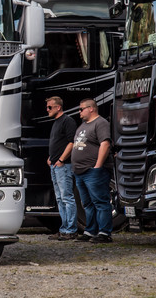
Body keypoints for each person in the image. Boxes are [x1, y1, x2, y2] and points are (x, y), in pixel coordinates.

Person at [71, 98, 114, 243]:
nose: (79, 112)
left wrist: (98, 166)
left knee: (100, 202)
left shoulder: (100, 123)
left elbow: (105, 144)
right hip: (80, 172)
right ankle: (90, 231)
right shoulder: (83, 125)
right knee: (87, 204)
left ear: (91, 109)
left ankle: (104, 233)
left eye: (81, 109)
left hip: (93, 171)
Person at [45, 96, 78, 241]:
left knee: (66, 197)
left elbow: (72, 142)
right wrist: (51, 158)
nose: (47, 110)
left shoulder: (67, 121)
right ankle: (64, 228)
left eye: (50, 107)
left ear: (58, 107)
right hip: (55, 165)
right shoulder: (56, 123)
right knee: (59, 198)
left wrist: (61, 159)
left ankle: (71, 229)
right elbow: (57, 142)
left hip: (63, 166)